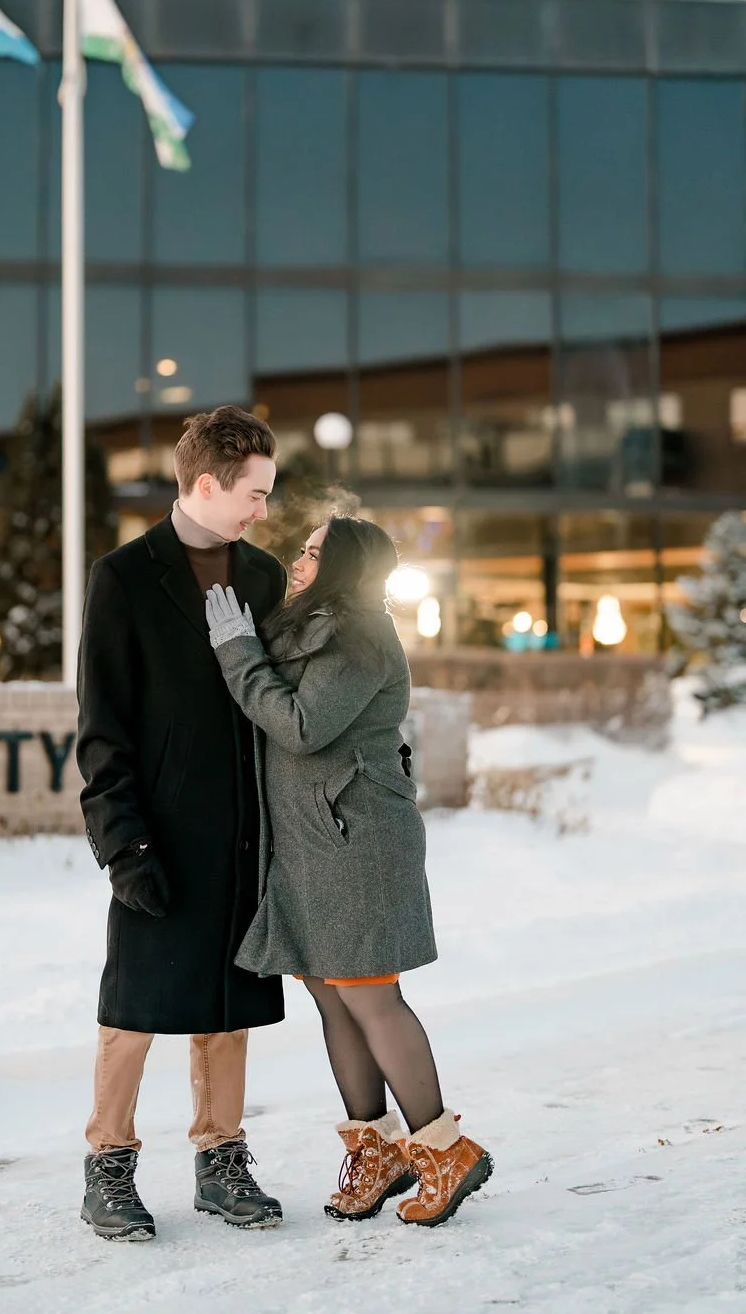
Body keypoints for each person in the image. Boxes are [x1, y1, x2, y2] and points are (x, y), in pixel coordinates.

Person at [204, 516, 494, 1228]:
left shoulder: (361, 637)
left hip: (356, 838)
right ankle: (376, 1150)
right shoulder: (304, 624)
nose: (299, 560)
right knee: (332, 997)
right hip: (307, 842)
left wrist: (238, 650)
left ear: (344, 565)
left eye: (312, 552)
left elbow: (301, 726)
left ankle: (443, 1147)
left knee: (370, 995)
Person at [76, 406, 288, 1242]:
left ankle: (222, 1158)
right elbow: (102, 728)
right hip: (155, 834)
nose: (264, 508)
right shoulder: (124, 577)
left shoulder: (264, 578)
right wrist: (122, 843)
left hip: (245, 834)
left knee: (226, 1006)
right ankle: (108, 1164)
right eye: (256, 492)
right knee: (133, 1008)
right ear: (208, 483)